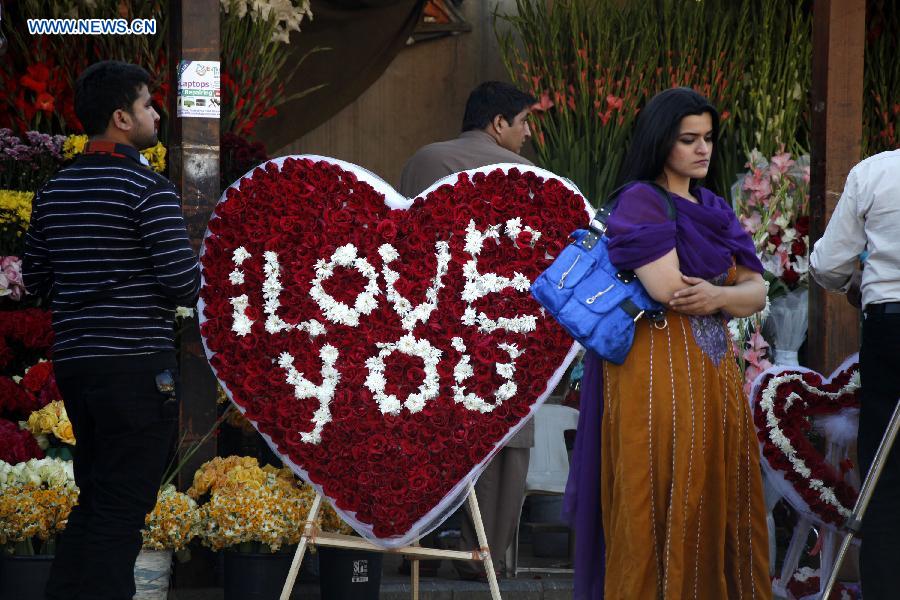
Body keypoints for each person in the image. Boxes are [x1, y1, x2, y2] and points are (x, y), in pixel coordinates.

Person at [568, 87, 771, 599]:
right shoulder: (640, 200)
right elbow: (669, 290)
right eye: (688, 139)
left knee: (716, 482)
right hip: (654, 367)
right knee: (655, 483)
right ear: (662, 143)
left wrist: (721, 295)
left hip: (712, 369)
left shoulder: (714, 207)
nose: (703, 149)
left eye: (708, 138)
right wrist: (727, 294)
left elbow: (759, 291)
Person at [23, 60, 200, 600]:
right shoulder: (148, 188)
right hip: (135, 369)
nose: (156, 114)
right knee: (121, 510)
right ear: (122, 118)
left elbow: (35, 280)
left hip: (79, 366)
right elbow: (183, 284)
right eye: (148, 105)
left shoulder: (54, 191)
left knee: (98, 500)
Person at [399, 80, 536, 580]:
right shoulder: (523, 175)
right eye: (523, 122)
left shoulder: (422, 161)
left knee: (419, 432)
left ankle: (408, 546)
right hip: (496, 335)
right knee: (505, 439)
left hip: (426, 332)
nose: (527, 134)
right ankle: (486, 556)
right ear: (498, 123)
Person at [809, 149, 900, 600]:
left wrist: (855, 282)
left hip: (891, 324)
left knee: (885, 486)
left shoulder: (876, 171)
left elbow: (827, 265)